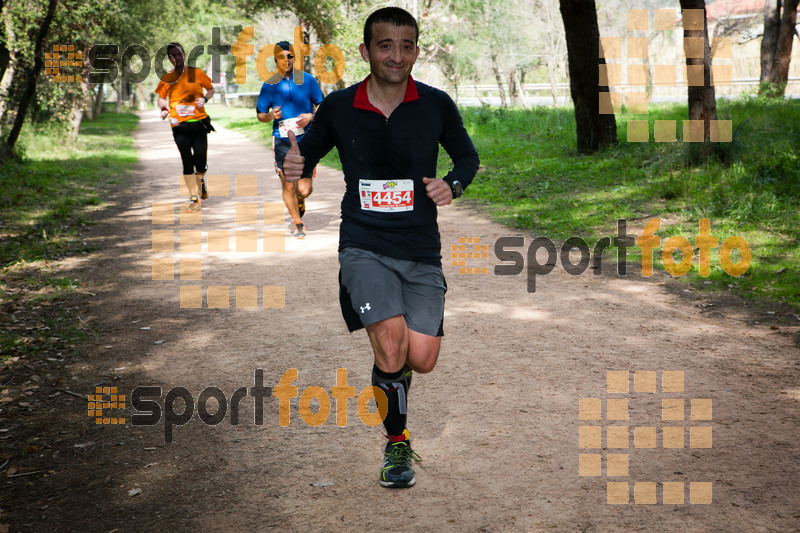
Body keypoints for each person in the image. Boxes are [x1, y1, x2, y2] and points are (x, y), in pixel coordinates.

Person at [282, 7, 479, 488]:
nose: (397, 55)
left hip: (420, 248)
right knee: (390, 344)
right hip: (363, 245)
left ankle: (393, 378)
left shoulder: (435, 104)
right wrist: (296, 163)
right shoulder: (341, 106)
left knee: (421, 358)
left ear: (416, 50)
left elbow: (467, 157)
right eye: (385, 45)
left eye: (407, 45)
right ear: (367, 50)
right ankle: (397, 445)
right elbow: (307, 151)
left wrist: (452, 184)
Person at [256, 41, 324, 239]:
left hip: (307, 140)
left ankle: (300, 200)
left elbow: (322, 105)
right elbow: (260, 114)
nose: (287, 60)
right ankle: (298, 223)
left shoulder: (308, 80)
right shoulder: (269, 85)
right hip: (282, 140)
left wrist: (311, 116)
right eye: (282, 57)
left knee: (304, 189)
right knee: (288, 184)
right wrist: (271, 116)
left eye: (290, 56)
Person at [155, 43, 215, 212]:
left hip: (199, 123)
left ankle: (201, 181)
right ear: (169, 58)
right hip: (179, 125)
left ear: (184, 54)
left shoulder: (197, 73)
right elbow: (161, 98)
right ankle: (194, 198)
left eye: (179, 54)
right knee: (187, 161)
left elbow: (210, 89)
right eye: (172, 55)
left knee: (201, 162)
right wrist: (164, 108)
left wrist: (205, 99)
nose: (177, 58)